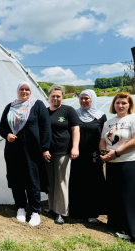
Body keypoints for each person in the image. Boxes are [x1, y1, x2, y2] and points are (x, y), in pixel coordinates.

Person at [0, 81, 51, 227]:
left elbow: (46, 128)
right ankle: (21, 208)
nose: (24, 92)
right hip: (13, 151)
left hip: (32, 152)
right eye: (22, 89)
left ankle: (35, 211)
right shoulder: (10, 107)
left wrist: (45, 148)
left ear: (31, 91)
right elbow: (1, 127)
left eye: (27, 89)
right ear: (18, 91)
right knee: (16, 179)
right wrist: (7, 134)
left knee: (33, 180)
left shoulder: (37, 105)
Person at [99, 92, 135, 240]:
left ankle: (131, 231)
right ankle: (116, 226)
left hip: (128, 161)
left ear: (129, 105)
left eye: (123, 103)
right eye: (117, 103)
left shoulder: (132, 118)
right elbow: (103, 140)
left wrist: (117, 153)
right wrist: (103, 153)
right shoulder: (109, 122)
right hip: (111, 163)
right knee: (114, 195)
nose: (120, 105)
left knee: (128, 196)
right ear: (113, 105)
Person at [69, 90, 107, 222]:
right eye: (81, 98)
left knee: (92, 184)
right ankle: (77, 211)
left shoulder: (101, 116)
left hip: (93, 156)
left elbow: (104, 137)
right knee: (77, 182)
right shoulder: (74, 114)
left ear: (93, 100)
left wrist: (102, 155)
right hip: (77, 155)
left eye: (87, 98)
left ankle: (92, 212)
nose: (83, 101)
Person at [45, 85, 80, 225]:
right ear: (49, 97)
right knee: (50, 181)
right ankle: (52, 207)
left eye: (58, 96)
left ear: (62, 97)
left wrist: (75, 147)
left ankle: (61, 212)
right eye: (53, 96)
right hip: (47, 152)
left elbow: (75, 130)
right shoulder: (45, 111)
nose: (55, 98)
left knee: (61, 181)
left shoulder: (68, 110)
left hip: (63, 151)